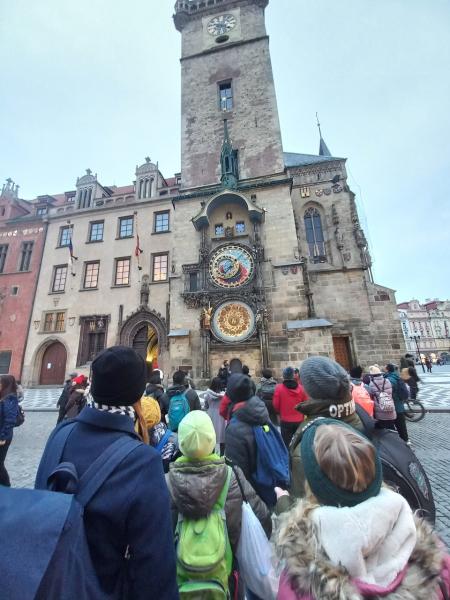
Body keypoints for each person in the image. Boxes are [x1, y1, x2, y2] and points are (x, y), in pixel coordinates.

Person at [35, 346, 178, 599]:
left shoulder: (60, 434)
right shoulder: (143, 461)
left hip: (48, 583)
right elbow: (155, 569)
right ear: (138, 393)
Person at [274, 419, 450, 600]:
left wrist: (284, 505)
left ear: (313, 488)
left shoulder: (300, 580)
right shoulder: (432, 556)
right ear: (376, 475)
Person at [167, 411, 271, 596]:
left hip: (178, 581)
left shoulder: (165, 482)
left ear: (181, 443)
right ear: (212, 439)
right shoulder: (232, 476)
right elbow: (263, 519)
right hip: (225, 576)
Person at [280, 356, 363, 506]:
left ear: (309, 389)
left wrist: (282, 501)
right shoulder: (359, 417)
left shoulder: (306, 449)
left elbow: (302, 510)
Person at [224, 373, 273, 502]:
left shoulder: (234, 429)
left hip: (251, 494)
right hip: (270, 484)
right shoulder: (261, 411)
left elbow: (237, 473)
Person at [272, 367, 308, 447]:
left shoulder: (279, 388)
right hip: (299, 420)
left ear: (284, 376)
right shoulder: (301, 388)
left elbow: (275, 405)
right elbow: (305, 404)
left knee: (286, 443)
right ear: (293, 375)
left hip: (285, 420)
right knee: (297, 444)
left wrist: (280, 413)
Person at [0, 375, 19, 487]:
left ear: (6, 385)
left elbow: (10, 420)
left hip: (3, 436)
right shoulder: (2, 397)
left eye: (0, 383)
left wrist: (3, 437)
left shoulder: (10, 399)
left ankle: (6, 485)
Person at [385, 363, 409, 443]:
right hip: (400, 405)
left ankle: (397, 443)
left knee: (393, 425)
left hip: (393, 405)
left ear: (387, 369)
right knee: (402, 425)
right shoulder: (397, 377)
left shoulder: (389, 379)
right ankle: (406, 440)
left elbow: (389, 392)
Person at [368, 365, 396, 430]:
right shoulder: (387, 381)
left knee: (384, 430)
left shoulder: (371, 384)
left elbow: (371, 397)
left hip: (380, 411)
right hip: (390, 408)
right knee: (392, 428)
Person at [203, 376, 226, 455]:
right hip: (221, 416)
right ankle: (222, 456)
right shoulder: (224, 396)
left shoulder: (208, 394)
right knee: (222, 437)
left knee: (211, 437)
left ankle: (211, 454)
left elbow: (206, 406)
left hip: (211, 416)